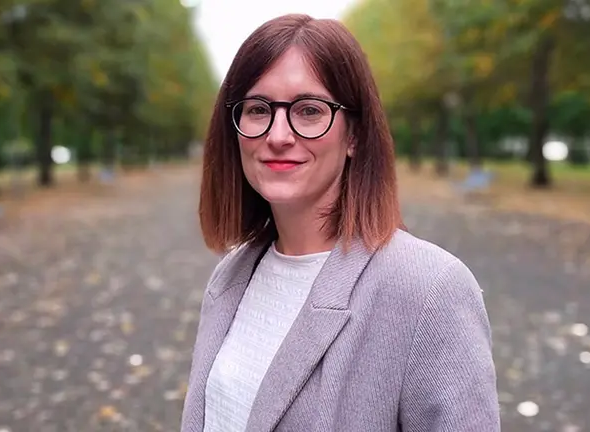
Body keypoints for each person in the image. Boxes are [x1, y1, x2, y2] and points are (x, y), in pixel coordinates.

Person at [181, 13, 499, 432]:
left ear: (354, 136)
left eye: (309, 110)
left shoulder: (429, 291)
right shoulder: (230, 276)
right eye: (258, 109)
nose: (278, 135)